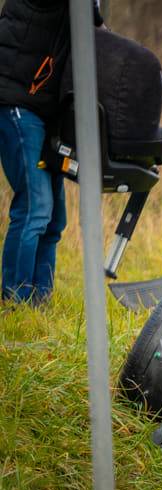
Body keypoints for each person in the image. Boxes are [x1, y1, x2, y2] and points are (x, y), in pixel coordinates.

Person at [0, 0, 103, 304]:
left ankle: (39, 301)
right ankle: (15, 299)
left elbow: (93, 23)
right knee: (35, 207)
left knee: (54, 218)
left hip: (44, 109)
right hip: (17, 103)